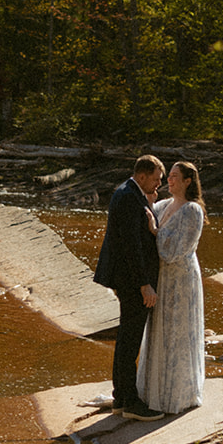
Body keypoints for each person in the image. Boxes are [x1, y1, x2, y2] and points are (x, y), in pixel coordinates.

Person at [93, 154, 165, 421]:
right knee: (129, 341)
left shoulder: (130, 193)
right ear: (142, 175)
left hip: (126, 278)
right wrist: (145, 284)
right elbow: (131, 246)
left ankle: (121, 399)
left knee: (126, 338)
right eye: (156, 179)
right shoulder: (127, 197)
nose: (159, 185)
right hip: (131, 280)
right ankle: (131, 403)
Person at [137, 161, 206, 414]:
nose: (170, 180)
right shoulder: (163, 205)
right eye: (170, 176)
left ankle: (177, 394)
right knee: (159, 333)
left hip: (181, 281)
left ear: (188, 181)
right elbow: (142, 218)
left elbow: (177, 251)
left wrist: (156, 231)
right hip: (161, 279)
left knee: (177, 333)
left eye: (175, 176)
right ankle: (151, 392)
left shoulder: (192, 211)